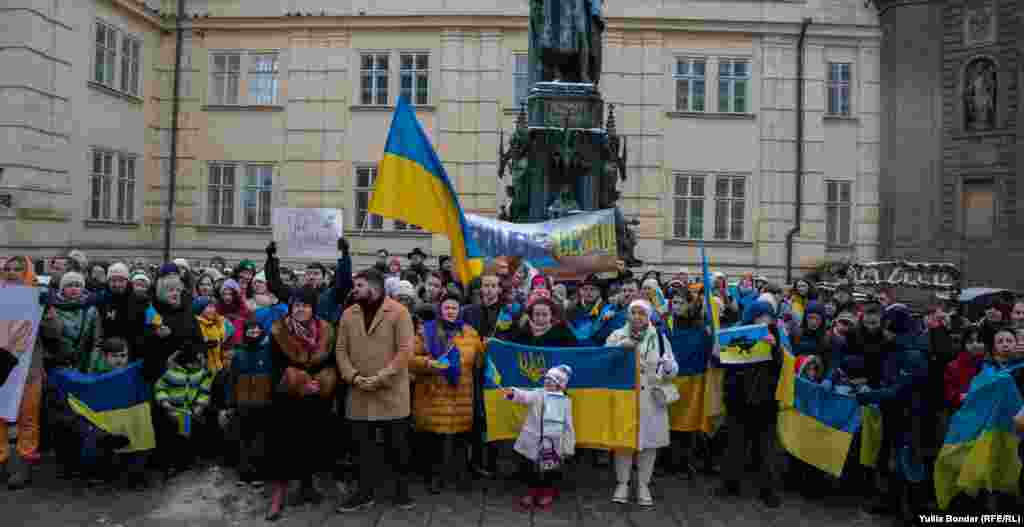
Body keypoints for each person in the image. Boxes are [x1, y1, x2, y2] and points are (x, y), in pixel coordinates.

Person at [335, 269, 415, 513]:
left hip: (391, 391)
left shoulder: (399, 312)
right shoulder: (349, 314)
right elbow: (340, 350)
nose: (354, 290)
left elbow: (405, 351)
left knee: (397, 446)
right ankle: (364, 492)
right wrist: (353, 376)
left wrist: (381, 377)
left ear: (374, 287)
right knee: (362, 448)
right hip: (359, 390)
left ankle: (401, 492)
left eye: (359, 285)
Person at [264, 287, 336, 521]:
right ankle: (278, 495)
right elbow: (273, 367)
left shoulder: (325, 330)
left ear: (313, 308)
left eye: (305, 305)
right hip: (288, 396)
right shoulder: (279, 331)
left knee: (310, 441)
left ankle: (307, 486)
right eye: (296, 305)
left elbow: (331, 361)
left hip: (316, 396)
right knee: (284, 445)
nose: (300, 309)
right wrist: (298, 382)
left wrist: (321, 381)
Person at [605, 300, 678, 506]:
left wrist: (669, 368)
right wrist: (619, 350)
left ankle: (644, 484)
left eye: (642, 313)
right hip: (625, 396)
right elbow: (603, 360)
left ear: (649, 316)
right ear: (628, 315)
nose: (637, 316)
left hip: (651, 398)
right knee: (624, 442)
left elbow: (671, 367)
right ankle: (622, 483)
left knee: (649, 444)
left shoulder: (660, 338)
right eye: (633, 312)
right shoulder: (617, 335)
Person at [410, 294, 484, 493]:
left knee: (460, 438)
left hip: (461, 393)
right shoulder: (426, 331)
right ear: (439, 309)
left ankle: (459, 476)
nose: (450, 311)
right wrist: (429, 363)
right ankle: (434, 477)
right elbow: (410, 359)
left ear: (460, 310)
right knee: (435, 439)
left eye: (454, 307)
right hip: (434, 393)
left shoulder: (470, 333)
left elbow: (481, 359)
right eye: (446, 307)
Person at [714, 300, 783, 508]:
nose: (765, 320)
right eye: (760, 316)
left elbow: (780, 366)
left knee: (766, 448)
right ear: (751, 317)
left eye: (768, 316)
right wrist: (717, 352)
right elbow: (722, 362)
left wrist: (775, 348)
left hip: (765, 400)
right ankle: (730, 484)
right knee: (735, 443)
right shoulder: (738, 332)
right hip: (739, 397)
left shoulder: (775, 335)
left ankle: (767, 489)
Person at [0, 256, 58, 489]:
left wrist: (44, 312)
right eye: (8, 269)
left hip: (29, 370)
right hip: (1, 368)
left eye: (18, 269)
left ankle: (25, 462)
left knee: (28, 418)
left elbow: (55, 333)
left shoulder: (38, 297)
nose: (12, 272)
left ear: (28, 272)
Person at [502, 365, 576, 511]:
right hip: (532, 439)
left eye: (552, 380)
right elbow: (524, 396)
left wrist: (569, 445)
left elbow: (568, 425)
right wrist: (513, 393)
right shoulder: (537, 394)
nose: (547, 382)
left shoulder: (565, 402)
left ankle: (548, 492)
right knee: (529, 468)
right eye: (546, 379)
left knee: (550, 470)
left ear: (560, 385)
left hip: (552, 442)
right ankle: (531, 491)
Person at [222, 318, 273, 486]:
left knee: (261, 438)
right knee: (243, 438)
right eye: (250, 331)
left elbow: (273, 378)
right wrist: (230, 403)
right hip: (243, 401)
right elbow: (232, 380)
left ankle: (259, 474)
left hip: (263, 400)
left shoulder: (268, 352)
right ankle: (244, 474)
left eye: (257, 331)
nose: (254, 334)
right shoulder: (239, 354)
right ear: (244, 333)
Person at [154, 345, 214, 477]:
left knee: (186, 436)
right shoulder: (171, 373)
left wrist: (200, 406)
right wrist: (165, 402)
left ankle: (185, 462)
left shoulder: (202, 374)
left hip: (189, 412)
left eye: (197, 363)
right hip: (172, 410)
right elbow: (160, 388)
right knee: (170, 438)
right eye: (192, 363)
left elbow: (205, 391)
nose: (195, 366)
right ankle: (171, 464)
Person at [47, 271, 99, 372]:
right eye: (69, 285)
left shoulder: (91, 309)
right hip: (57, 365)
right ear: (62, 289)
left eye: (78, 285)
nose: (74, 288)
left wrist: (92, 366)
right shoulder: (52, 307)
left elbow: (96, 341)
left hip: (82, 364)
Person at [508, 297, 577, 348]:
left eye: (545, 314)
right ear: (532, 315)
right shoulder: (522, 330)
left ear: (551, 315)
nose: (540, 318)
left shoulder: (562, 331)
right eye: (537, 314)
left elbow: (573, 350)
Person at [943, 326, 985, 410]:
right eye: (970, 341)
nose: (975, 344)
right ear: (964, 344)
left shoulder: (991, 364)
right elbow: (949, 394)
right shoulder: (952, 366)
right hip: (963, 411)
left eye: (979, 341)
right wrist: (962, 396)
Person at [193, 296, 234, 375]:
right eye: (209, 307)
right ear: (200, 309)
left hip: (219, 368)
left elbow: (226, 340)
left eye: (213, 307)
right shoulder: (195, 325)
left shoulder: (215, 323)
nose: (213, 310)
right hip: (203, 371)